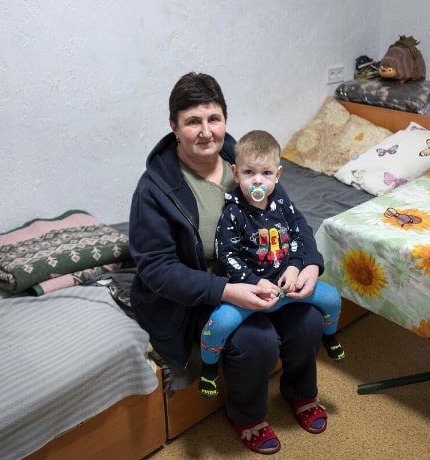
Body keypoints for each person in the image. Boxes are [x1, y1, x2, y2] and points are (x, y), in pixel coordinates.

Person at [129, 72, 330, 455]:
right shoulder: (155, 190)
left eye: (214, 119)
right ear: (174, 127)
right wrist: (225, 290)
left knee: (306, 320)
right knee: (257, 341)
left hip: (266, 277)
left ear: (225, 120)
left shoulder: (247, 163)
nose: (206, 131)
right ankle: (247, 417)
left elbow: (294, 220)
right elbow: (155, 269)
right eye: (192, 122)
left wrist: (307, 263)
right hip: (204, 291)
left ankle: (300, 392)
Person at [198, 130, 345, 401]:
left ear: (277, 175)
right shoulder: (233, 212)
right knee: (219, 323)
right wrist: (253, 281)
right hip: (252, 290)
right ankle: (208, 369)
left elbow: (300, 236)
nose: (257, 180)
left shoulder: (282, 204)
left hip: (287, 287)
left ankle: (330, 336)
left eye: (266, 174)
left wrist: (297, 266)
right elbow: (226, 255)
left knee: (333, 298)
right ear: (236, 172)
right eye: (249, 173)